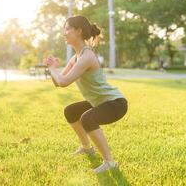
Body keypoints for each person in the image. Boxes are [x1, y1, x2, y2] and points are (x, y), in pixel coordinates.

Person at [43, 15, 128, 173]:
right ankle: (87, 148)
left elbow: (63, 82)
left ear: (79, 31)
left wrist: (53, 69)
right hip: (100, 102)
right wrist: (51, 68)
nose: (64, 33)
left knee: (87, 118)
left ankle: (110, 162)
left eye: (67, 29)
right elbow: (58, 82)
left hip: (115, 103)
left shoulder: (87, 56)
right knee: (71, 111)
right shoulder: (76, 57)